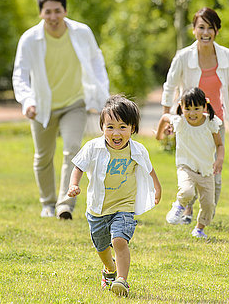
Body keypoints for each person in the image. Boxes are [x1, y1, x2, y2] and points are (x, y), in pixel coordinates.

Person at [12, 0, 110, 219]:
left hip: (74, 103)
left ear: (65, 11)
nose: (53, 17)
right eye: (48, 12)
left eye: (57, 11)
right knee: (43, 157)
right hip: (41, 106)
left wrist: (101, 95)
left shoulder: (82, 32)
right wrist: (27, 101)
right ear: (41, 14)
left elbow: (97, 61)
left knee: (72, 150)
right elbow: (20, 74)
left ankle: (65, 205)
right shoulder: (29, 39)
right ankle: (47, 203)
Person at [160, 7, 229, 223]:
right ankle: (187, 210)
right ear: (194, 30)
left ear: (216, 30)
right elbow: (169, 87)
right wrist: (167, 117)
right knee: (192, 167)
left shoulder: (227, 56)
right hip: (189, 121)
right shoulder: (183, 57)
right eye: (201, 27)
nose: (206, 32)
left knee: (213, 171)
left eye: (210, 28)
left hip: (215, 121)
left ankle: (204, 219)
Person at [67, 95, 162, 297]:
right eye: (110, 127)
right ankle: (109, 270)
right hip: (98, 208)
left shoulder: (138, 150)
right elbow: (78, 167)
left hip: (124, 207)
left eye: (122, 127)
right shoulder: (93, 147)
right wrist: (73, 184)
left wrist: (158, 187)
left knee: (119, 240)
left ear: (132, 128)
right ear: (102, 128)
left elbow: (149, 169)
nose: (116, 133)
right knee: (101, 246)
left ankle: (122, 280)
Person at [156, 87, 224, 239]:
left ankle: (199, 229)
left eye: (196, 108)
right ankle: (179, 206)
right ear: (181, 106)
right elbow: (164, 118)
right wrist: (159, 136)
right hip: (186, 167)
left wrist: (219, 159)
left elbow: (220, 145)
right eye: (188, 108)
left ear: (204, 106)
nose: (192, 113)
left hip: (206, 171)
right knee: (187, 191)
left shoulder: (211, 122)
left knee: (208, 205)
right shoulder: (179, 122)